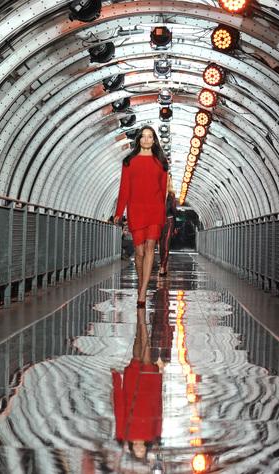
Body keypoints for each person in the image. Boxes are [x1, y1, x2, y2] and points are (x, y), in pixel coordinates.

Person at [113, 126, 169, 307]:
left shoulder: (161, 162)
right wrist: (119, 212)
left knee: (150, 248)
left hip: (155, 210)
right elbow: (124, 189)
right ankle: (141, 283)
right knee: (139, 252)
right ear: (139, 140)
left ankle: (143, 291)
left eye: (150, 136)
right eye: (143, 136)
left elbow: (163, 192)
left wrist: (162, 211)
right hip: (136, 210)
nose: (146, 139)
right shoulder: (129, 162)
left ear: (154, 140)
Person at [111, 307, 163, 461]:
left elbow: (119, 408)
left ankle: (140, 329)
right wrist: (159, 381)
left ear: (132, 450)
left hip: (132, 389)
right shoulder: (154, 435)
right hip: (150, 390)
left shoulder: (123, 435)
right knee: (146, 360)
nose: (139, 448)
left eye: (137, 451)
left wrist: (116, 379)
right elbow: (159, 413)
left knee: (136, 355)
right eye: (142, 451)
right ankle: (142, 324)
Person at [158, 187, 177, 277]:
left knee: (166, 244)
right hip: (158, 222)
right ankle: (162, 264)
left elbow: (174, 211)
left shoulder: (171, 195)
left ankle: (162, 267)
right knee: (161, 245)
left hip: (169, 221)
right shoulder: (156, 192)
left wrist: (175, 226)